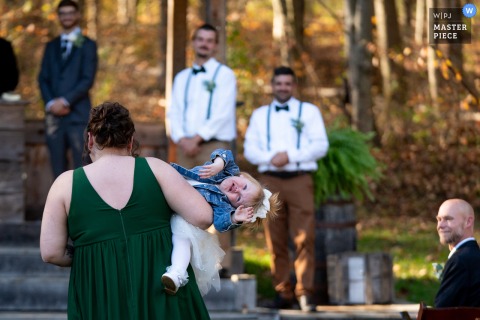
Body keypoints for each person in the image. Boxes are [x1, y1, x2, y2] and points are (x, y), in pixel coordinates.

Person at [40, 101, 213, 319]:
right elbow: (203, 217)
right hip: (159, 290)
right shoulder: (156, 169)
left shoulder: (65, 184)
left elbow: (50, 252)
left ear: (91, 139)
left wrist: (90, 254)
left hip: (100, 292)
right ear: (130, 141)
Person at [243, 66, 329, 312]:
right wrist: (273, 158)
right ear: (272, 85)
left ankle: (305, 292)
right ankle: (283, 291)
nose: (283, 87)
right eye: (278, 83)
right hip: (270, 181)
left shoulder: (309, 112)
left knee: (304, 236)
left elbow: (320, 145)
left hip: (300, 179)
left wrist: (289, 155)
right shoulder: (260, 115)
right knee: (275, 238)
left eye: (287, 83)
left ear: (294, 86)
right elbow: (250, 148)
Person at [166, 22, 237, 274]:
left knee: (221, 198)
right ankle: (187, 259)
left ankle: (221, 265)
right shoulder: (182, 77)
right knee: (184, 200)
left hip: (214, 147)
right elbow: (173, 111)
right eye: (200, 39)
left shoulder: (225, 75)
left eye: (210, 40)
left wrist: (198, 137)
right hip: (185, 146)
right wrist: (180, 137)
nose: (204, 43)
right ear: (194, 42)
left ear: (215, 45)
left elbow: (222, 112)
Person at [162, 149, 280, 296]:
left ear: (234, 207)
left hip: (182, 217)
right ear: (244, 177)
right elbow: (226, 153)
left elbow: (219, 224)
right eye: (244, 187)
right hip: (173, 184)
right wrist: (219, 163)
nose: (238, 190)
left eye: (238, 199)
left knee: (183, 239)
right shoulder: (227, 171)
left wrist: (234, 218)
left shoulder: (223, 206)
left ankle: (177, 273)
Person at [38, 0, 98, 179]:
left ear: (78, 15)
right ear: (58, 16)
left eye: (70, 12)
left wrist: (65, 101)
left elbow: (87, 79)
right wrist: (51, 103)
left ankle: (82, 206)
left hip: (78, 115)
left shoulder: (87, 45)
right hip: (54, 120)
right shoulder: (51, 45)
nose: (67, 16)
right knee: (57, 170)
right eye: (63, 13)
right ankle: (61, 206)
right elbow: (43, 78)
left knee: (83, 168)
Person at [434, 198, 480, 307]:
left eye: (448, 219)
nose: (440, 225)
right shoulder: (474, 256)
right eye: (439, 219)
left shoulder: (460, 261)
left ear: (468, 222)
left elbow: (442, 312)